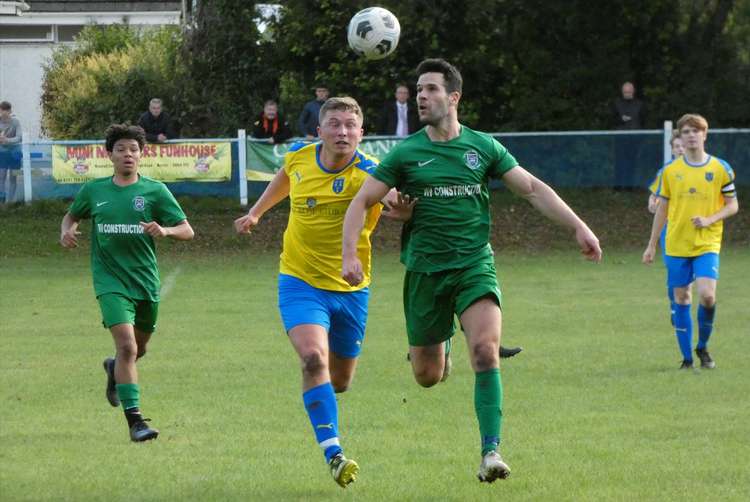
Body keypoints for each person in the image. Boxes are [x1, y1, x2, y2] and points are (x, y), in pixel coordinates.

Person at [341, 58, 602, 483]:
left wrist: (578, 226)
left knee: (484, 351)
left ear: (454, 97)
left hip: (474, 265)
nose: (422, 96)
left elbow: (532, 189)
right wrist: (350, 254)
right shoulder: (407, 152)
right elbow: (361, 202)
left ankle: (491, 453)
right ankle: (441, 345)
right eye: (419, 89)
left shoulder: (483, 147)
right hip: (426, 272)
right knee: (427, 377)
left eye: (431, 89)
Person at [234, 97, 412, 488]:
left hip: (351, 289)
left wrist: (403, 209)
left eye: (350, 125)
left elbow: (394, 203)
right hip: (299, 280)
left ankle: (320, 402)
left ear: (361, 133)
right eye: (334, 124)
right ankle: (334, 453)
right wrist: (258, 212)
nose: (342, 131)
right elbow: (284, 177)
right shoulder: (299, 158)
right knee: (313, 358)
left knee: (340, 380)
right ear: (319, 131)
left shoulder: (371, 172)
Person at [60, 124, 194, 442]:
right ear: (110, 155)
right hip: (110, 280)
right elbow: (71, 216)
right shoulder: (94, 191)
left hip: (145, 282)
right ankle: (136, 422)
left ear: (141, 153)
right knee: (127, 346)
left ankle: (114, 370)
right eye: (121, 149)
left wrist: (166, 230)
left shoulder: (155, 191)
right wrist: (66, 230)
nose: (128, 154)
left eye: (133, 149)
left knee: (137, 350)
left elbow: (188, 230)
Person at [643, 113, 738, 370]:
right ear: (681, 138)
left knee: (707, 296)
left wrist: (710, 220)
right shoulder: (671, 172)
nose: (691, 135)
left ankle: (702, 347)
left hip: (707, 242)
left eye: (696, 130)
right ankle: (686, 360)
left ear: (704, 135)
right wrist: (652, 244)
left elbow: (732, 205)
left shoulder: (721, 168)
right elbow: (661, 210)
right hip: (676, 244)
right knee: (682, 298)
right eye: (685, 131)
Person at [647, 131, 685, 326]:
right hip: (669, 229)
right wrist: (653, 202)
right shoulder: (666, 171)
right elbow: (654, 195)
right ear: (672, 149)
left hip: (692, 229)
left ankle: (682, 303)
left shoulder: (701, 169)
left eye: (683, 145)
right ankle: (674, 306)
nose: (680, 149)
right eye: (677, 146)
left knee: (689, 276)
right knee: (674, 271)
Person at [611, 81, 646, 190]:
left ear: (633, 91)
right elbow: (611, 120)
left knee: (632, 162)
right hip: (620, 138)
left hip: (635, 138)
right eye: (625, 92)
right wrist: (621, 119)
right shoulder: (616, 103)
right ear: (622, 92)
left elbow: (644, 121)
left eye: (629, 91)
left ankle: (629, 186)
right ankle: (618, 186)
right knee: (619, 162)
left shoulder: (640, 104)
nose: (627, 93)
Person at [0, 101, 22, 204]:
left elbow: (19, 137)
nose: (4, 113)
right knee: (1, 176)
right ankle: (2, 198)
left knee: (13, 177)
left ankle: (10, 202)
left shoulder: (16, 121)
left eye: (6, 111)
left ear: (10, 111)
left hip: (14, 152)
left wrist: (6, 140)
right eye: (2, 110)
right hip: (2, 153)